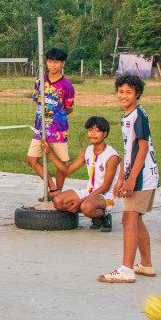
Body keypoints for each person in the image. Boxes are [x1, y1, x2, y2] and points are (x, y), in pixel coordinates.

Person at [98, 74, 160, 284]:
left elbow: (142, 147)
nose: (123, 96)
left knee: (128, 219)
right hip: (136, 174)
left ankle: (126, 269)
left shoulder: (138, 116)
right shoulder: (126, 115)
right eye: (121, 91)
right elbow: (129, 149)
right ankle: (146, 264)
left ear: (138, 94)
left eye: (129, 92)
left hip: (143, 175)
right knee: (136, 218)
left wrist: (132, 178)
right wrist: (120, 178)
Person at [41, 116, 120, 232]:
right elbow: (66, 171)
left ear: (105, 134)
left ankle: (104, 217)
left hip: (106, 196)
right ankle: (93, 214)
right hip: (90, 191)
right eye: (90, 130)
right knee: (58, 201)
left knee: (85, 207)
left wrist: (80, 201)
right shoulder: (87, 151)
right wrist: (50, 152)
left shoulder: (111, 156)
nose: (92, 134)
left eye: (97, 131)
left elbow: (105, 187)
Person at [26, 48, 75, 197]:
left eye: (56, 62)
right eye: (49, 61)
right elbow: (37, 102)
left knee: (61, 163)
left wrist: (56, 116)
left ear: (62, 63)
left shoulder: (67, 86)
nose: (52, 65)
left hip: (58, 130)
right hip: (40, 128)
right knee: (31, 159)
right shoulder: (40, 80)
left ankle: (57, 196)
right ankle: (53, 188)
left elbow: (69, 108)